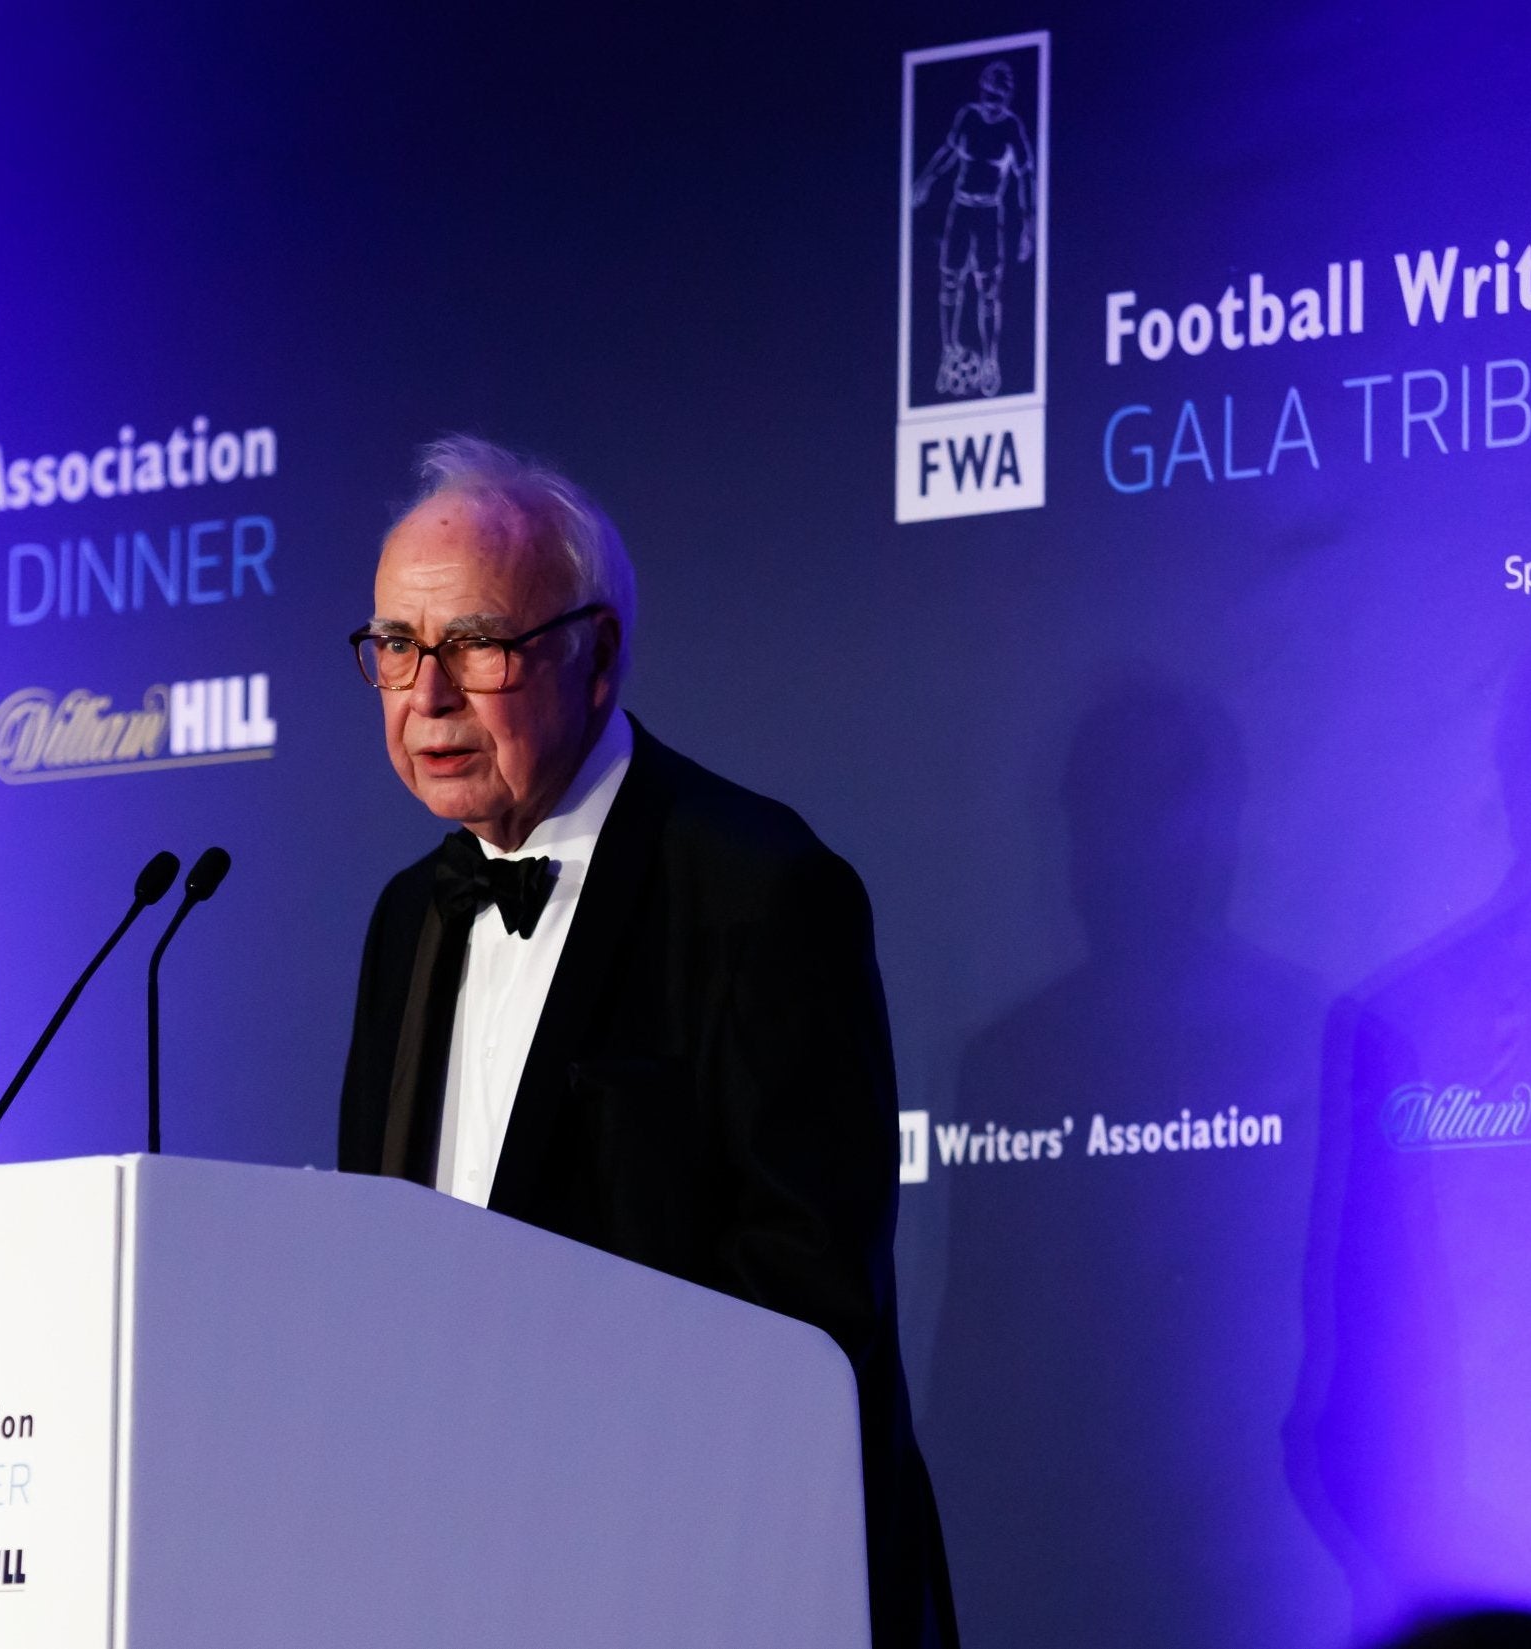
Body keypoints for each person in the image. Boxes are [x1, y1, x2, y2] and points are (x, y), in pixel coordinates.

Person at [338, 436, 954, 1648]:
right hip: (458, 1579)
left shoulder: (757, 887)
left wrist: (558, 1453)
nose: (426, 696)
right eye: (395, 648)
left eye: (474, 643)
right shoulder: (408, 916)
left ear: (597, 655)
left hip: (716, 1581)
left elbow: (805, 1292)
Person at [912, 58, 1036, 399]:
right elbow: (948, 153)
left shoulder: (1011, 129)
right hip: (961, 209)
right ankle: (948, 351)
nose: (991, 100)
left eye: (998, 95)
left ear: (1007, 98)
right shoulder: (967, 116)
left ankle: (990, 361)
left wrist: (1028, 226)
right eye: (988, 92)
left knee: (988, 290)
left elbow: (1026, 176)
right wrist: (925, 180)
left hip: (988, 214)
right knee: (950, 281)